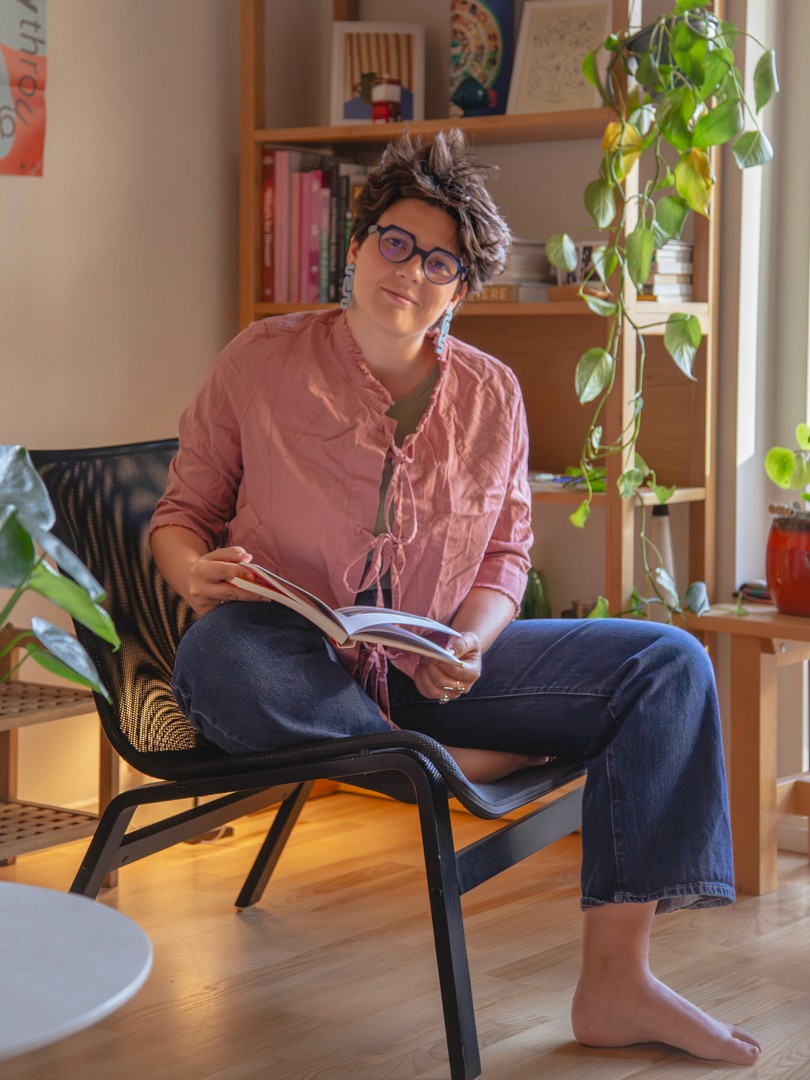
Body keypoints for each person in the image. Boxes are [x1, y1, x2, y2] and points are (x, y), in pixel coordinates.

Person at [150, 129, 761, 1066]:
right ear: (355, 247)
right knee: (216, 660)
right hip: (292, 657)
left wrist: (471, 641)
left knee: (667, 661)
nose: (410, 271)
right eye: (395, 242)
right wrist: (192, 570)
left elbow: (508, 554)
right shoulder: (259, 361)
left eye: (440, 262)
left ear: (459, 291)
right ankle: (432, 754)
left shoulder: (494, 395)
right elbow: (181, 514)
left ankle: (617, 981)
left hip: (431, 668)